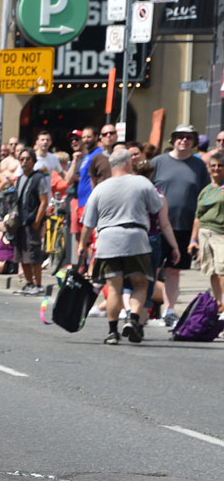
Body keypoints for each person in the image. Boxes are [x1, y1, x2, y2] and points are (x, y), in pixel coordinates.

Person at [81, 148, 170, 346]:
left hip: (107, 240)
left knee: (114, 288)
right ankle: (133, 320)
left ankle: (112, 332)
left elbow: (88, 223)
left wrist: (81, 245)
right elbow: (157, 206)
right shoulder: (142, 183)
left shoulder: (100, 188)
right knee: (140, 283)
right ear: (128, 163)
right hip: (135, 238)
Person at [151, 124, 210, 326]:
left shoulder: (199, 165)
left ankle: (168, 310)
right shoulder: (158, 162)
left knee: (173, 271)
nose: (183, 140)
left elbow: (204, 196)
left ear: (193, 142)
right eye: (179, 136)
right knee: (152, 269)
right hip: (157, 227)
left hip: (185, 226)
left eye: (188, 137)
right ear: (173, 140)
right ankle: (143, 309)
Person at [186, 151, 224, 307]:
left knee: (222, 269)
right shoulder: (206, 190)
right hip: (204, 233)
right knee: (212, 270)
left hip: (220, 233)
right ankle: (219, 303)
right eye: (213, 165)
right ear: (208, 168)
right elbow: (198, 217)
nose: (216, 168)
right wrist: (192, 240)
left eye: (220, 165)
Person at [10, 148, 49, 295]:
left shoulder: (39, 178)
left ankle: (38, 285)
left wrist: (37, 221)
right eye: (22, 159)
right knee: (22, 254)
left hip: (32, 222)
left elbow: (44, 202)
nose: (24, 162)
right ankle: (29, 283)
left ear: (33, 161)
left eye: (27, 159)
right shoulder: (20, 179)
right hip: (20, 222)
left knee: (34, 255)